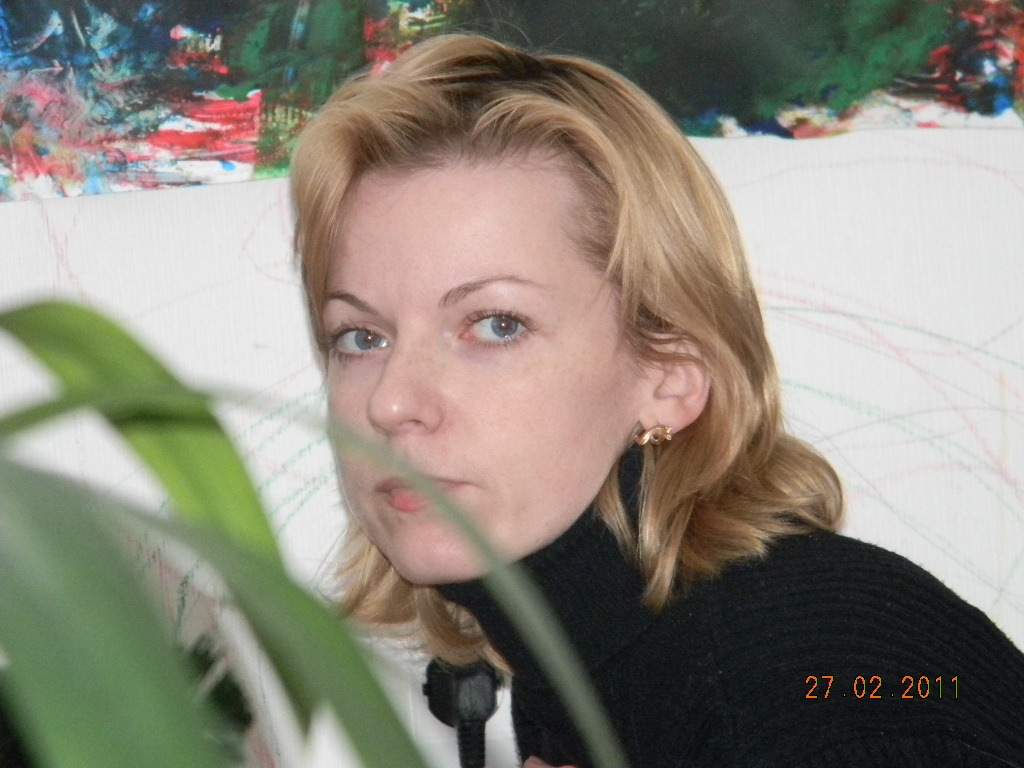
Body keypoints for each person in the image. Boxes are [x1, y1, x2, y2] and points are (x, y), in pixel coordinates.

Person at [290, 33, 1024, 768]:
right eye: (361, 337)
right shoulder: (598, 657)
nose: (391, 403)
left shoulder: (808, 673)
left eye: (497, 325)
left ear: (670, 377)